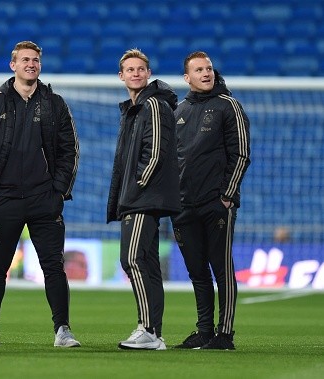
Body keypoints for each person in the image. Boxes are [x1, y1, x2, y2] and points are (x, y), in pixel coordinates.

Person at [0, 41, 81, 348]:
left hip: (43, 199)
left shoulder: (55, 103)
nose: (30, 64)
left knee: (53, 266)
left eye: (35, 60)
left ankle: (62, 329)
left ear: (40, 65)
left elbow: (70, 150)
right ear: (13, 65)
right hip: (3, 200)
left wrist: (59, 192)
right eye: (25, 60)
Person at [171, 51, 251, 350]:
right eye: (199, 69)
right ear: (187, 77)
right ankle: (204, 331)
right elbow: (170, 161)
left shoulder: (228, 106)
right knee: (197, 271)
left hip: (216, 202)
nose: (206, 73)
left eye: (209, 68)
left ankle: (225, 334)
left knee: (221, 268)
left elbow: (241, 153)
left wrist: (228, 195)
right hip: (182, 205)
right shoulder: (177, 112)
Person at [106, 48, 181, 350]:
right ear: (121, 75)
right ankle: (155, 334)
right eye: (130, 69)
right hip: (139, 196)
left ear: (148, 73)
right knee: (146, 263)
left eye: (141, 69)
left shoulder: (153, 105)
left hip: (143, 197)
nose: (136, 73)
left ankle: (148, 328)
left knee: (133, 259)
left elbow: (158, 149)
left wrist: (138, 185)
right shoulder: (135, 109)